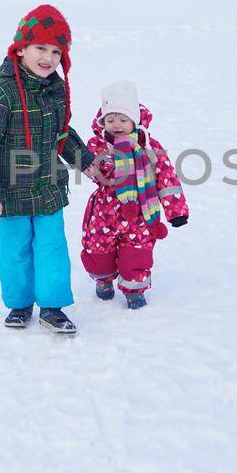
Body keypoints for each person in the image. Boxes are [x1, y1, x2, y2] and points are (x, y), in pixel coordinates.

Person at [0, 4, 101, 334]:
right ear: (20, 48)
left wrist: (86, 161)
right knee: (15, 252)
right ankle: (20, 304)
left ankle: (52, 307)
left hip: (48, 188)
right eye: (40, 48)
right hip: (8, 194)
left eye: (56, 51)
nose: (48, 58)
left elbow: (62, 132)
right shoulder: (3, 92)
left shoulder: (55, 89)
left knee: (52, 249)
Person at [80, 80, 189, 309]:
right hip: (104, 213)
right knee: (98, 251)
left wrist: (175, 211)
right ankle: (103, 280)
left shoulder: (149, 147)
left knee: (137, 254)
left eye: (123, 120)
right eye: (110, 120)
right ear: (103, 122)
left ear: (135, 121)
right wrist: (94, 167)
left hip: (140, 213)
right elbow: (92, 170)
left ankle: (134, 289)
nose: (117, 125)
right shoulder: (97, 145)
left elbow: (166, 178)